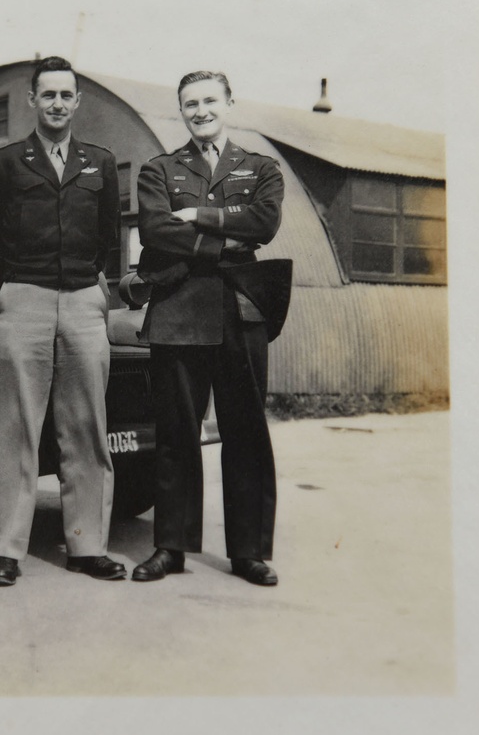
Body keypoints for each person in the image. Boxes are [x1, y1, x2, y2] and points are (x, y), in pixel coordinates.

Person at [0, 56, 124, 586]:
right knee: (15, 428)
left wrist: (86, 281)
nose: (57, 103)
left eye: (66, 95)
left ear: (77, 102)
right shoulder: (4, 164)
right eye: (48, 94)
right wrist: (16, 280)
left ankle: (88, 547)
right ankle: (7, 550)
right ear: (32, 101)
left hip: (83, 301)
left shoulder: (99, 164)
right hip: (24, 299)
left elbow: (108, 236)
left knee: (87, 426)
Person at [133, 70, 285, 586]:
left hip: (242, 310)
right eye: (190, 104)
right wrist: (227, 236)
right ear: (181, 110)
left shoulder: (261, 167)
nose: (200, 111)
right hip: (179, 309)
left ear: (229, 102)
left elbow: (264, 223)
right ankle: (170, 547)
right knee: (177, 432)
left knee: (246, 432)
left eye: (209, 101)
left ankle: (248, 552)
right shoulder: (158, 169)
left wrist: (198, 213)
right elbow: (155, 229)